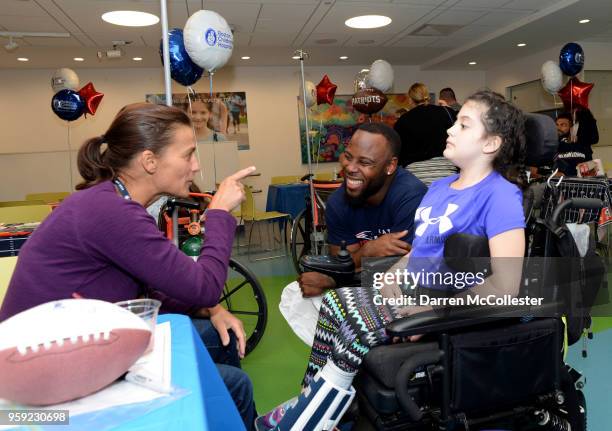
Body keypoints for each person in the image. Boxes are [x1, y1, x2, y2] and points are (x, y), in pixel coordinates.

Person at [256, 90, 527, 431]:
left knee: (355, 322)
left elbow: (505, 287)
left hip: (446, 311)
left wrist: (431, 312)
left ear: (490, 144)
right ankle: (312, 400)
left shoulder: (501, 196)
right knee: (335, 303)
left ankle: (311, 419)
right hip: (414, 297)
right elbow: (417, 253)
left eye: (463, 124)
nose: (450, 131)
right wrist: (388, 282)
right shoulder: (441, 188)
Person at [0, 103, 257, 429]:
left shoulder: (110, 201)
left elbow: (147, 284)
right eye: (188, 154)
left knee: (218, 336)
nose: (196, 166)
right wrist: (220, 214)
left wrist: (212, 309)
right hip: (38, 374)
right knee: (235, 385)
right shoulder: (112, 212)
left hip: (69, 348)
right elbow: (203, 285)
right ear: (150, 162)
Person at [279, 122, 427, 344]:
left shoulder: (411, 195)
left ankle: (357, 354)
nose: (350, 167)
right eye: (348, 156)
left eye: (365, 162)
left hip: (411, 291)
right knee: (294, 294)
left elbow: (405, 271)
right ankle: (346, 355)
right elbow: (342, 262)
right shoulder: (339, 202)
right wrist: (370, 250)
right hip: (366, 283)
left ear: (390, 166)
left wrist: (336, 276)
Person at [394, 83, 458, 185]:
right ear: (427, 96)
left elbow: (398, 151)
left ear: (410, 99)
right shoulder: (446, 112)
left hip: (415, 176)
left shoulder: (403, 120)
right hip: (447, 171)